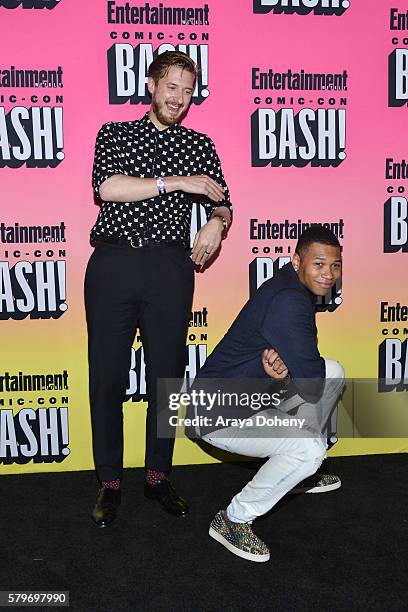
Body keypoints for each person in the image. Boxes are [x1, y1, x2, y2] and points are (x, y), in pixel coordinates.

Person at [85, 50, 232, 527]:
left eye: (188, 91)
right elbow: (107, 188)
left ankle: (157, 476)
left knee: (166, 379)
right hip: (114, 261)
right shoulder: (115, 132)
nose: (180, 99)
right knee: (107, 376)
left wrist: (214, 222)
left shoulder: (199, 143)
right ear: (151, 85)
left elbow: (223, 200)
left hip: (170, 266)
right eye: (172, 87)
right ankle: (110, 481)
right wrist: (176, 182)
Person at [187, 226, 344, 562]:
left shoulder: (287, 285)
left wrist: (284, 367)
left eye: (335, 265)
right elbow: (311, 384)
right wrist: (289, 368)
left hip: (248, 395)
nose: (328, 274)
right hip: (217, 415)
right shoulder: (290, 302)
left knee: (334, 372)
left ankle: (295, 477)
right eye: (318, 264)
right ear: (296, 260)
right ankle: (233, 519)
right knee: (309, 450)